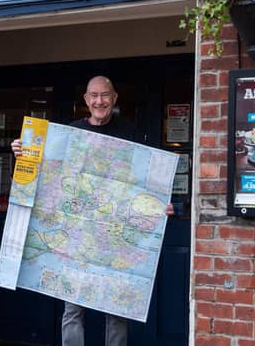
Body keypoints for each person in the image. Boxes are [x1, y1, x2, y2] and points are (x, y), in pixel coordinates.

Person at [10, 76, 174, 346]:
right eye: (94, 96)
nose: (100, 101)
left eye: (105, 95)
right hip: (78, 235)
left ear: (114, 98)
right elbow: (51, 174)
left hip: (114, 236)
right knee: (72, 311)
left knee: (117, 311)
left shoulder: (130, 132)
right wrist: (23, 152)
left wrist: (159, 205)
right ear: (86, 100)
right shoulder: (71, 133)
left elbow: (144, 182)